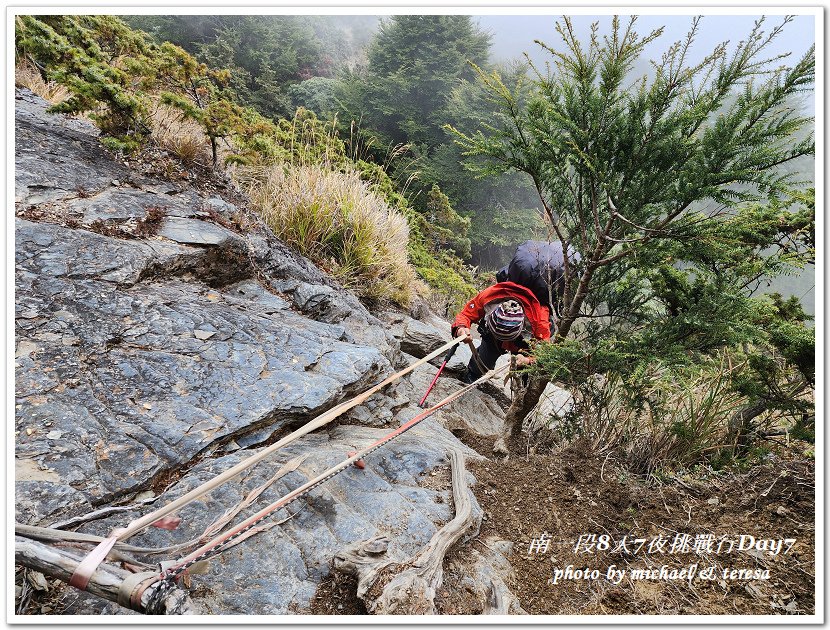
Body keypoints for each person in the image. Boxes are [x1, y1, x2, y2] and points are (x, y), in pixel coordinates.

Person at [451, 281, 551, 383]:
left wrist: (527, 360)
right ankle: (473, 375)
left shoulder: (540, 321)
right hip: (492, 336)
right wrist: (461, 328)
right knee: (483, 361)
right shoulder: (490, 296)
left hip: (523, 343)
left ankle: (522, 392)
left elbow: (543, 355)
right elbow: (466, 315)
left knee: (524, 376)